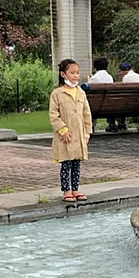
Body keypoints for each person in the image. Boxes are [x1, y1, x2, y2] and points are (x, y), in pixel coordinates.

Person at [49, 58, 93, 203]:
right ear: (63, 74)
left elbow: (87, 113)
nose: (75, 76)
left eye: (77, 73)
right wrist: (63, 130)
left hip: (79, 134)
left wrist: (87, 132)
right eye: (72, 72)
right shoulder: (57, 93)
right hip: (65, 136)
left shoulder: (81, 92)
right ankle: (66, 191)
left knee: (76, 163)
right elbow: (54, 115)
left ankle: (76, 189)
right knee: (66, 163)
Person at [88, 57, 120, 133]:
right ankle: (112, 123)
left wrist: (89, 80)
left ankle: (91, 125)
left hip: (96, 106)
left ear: (95, 67)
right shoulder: (110, 77)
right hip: (110, 105)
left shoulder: (94, 78)